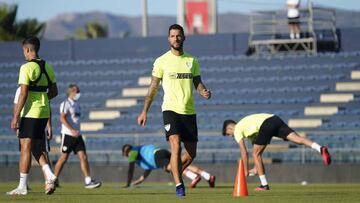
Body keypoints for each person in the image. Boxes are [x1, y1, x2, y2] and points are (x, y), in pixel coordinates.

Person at [137, 24, 211, 196]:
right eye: (172, 36)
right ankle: (179, 184)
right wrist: (144, 111)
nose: (175, 38)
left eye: (178, 35)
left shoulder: (192, 60)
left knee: (191, 153)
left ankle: (175, 170)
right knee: (175, 145)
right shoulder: (161, 61)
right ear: (168, 38)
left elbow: (198, 83)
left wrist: (203, 91)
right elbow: (153, 88)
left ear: (184, 37)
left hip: (189, 112)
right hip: (170, 110)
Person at [222, 113, 331, 191]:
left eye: (228, 134)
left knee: (255, 154)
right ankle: (320, 148)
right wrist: (256, 167)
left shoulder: (237, 130)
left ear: (229, 129)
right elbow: (258, 147)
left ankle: (264, 185)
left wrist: (245, 171)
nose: (230, 136)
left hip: (266, 124)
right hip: (275, 119)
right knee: (298, 139)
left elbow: (244, 152)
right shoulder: (246, 126)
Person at [9, 36, 58, 195]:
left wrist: (16, 117)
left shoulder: (26, 68)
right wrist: (41, 97)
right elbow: (54, 92)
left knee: (25, 147)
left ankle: (22, 187)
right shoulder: (48, 67)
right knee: (37, 147)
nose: (24, 53)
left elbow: (23, 93)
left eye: (24, 50)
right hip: (44, 112)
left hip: (30, 112)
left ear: (28, 50)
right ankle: (50, 175)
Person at [53, 84, 101, 189]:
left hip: (77, 135)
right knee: (64, 158)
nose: (78, 93)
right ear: (71, 92)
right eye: (76, 91)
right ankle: (53, 179)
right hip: (68, 135)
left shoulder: (77, 104)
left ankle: (88, 181)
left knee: (83, 156)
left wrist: (76, 131)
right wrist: (71, 130)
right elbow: (62, 118)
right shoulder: (65, 104)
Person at [13, 87, 53, 190]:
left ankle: (24, 184)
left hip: (26, 120)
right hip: (40, 119)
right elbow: (47, 105)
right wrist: (49, 126)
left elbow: (16, 105)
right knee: (37, 150)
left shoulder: (21, 89)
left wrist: (16, 120)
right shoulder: (41, 89)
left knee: (26, 150)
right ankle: (48, 178)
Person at [122, 144, 215, 188]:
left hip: (157, 156)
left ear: (126, 152)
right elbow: (145, 173)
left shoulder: (132, 152)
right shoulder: (142, 155)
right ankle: (207, 176)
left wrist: (127, 183)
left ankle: (194, 177)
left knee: (173, 168)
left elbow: (131, 168)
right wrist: (135, 183)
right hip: (161, 152)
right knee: (183, 163)